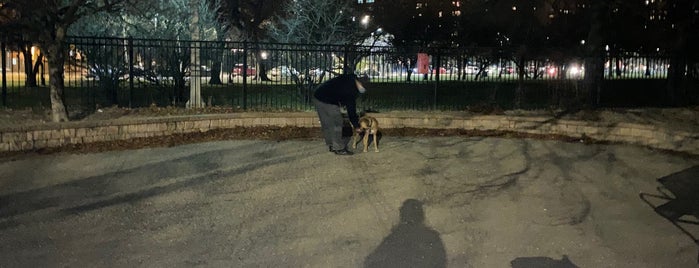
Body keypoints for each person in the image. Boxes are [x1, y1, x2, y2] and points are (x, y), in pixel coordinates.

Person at [312, 73, 367, 155]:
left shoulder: (349, 77)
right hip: (328, 100)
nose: (361, 90)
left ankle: (331, 144)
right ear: (360, 84)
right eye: (362, 88)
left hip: (318, 95)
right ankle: (339, 148)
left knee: (326, 122)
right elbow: (351, 110)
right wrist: (356, 126)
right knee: (337, 122)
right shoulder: (351, 90)